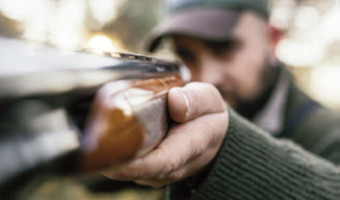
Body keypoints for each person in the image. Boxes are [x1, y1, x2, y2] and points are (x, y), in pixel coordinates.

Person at [100, 0, 340, 199]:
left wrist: (221, 152)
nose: (206, 78)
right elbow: (96, 179)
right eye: (186, 54)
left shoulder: (331, 134)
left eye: (224, 49)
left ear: (272, 40)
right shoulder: (175, 111)